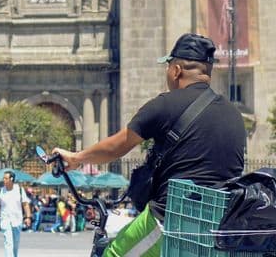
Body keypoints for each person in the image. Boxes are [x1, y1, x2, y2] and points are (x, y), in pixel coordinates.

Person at [53, 33, 246, 257]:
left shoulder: (164, 104)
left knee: (112, 253)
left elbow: (117, 147)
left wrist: (76, 158)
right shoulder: (234, 114)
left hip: (170, 219)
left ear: (176, 70)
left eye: (167, 67)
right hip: (218, 226)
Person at [0, 171, 31, 257]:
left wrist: (28, 217)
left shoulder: (20, 190)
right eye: (3, 178)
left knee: (15, 243)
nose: (4, 180)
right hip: (5, 219)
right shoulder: (0, 191)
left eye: (6, 178)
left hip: (17, 220)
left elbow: (25, 204)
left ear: (11, 179)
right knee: (8, 242)